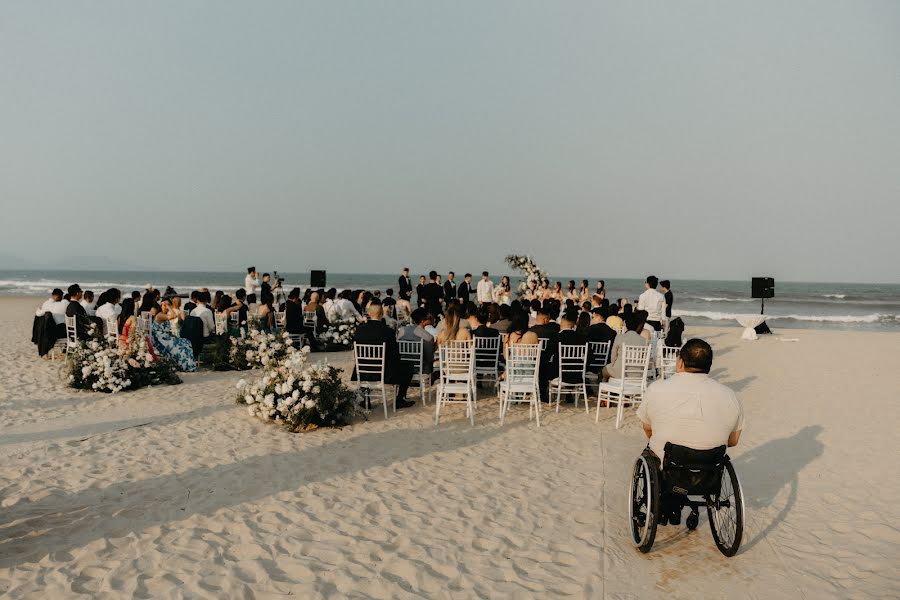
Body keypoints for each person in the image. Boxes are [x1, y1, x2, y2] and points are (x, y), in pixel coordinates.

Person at [636, 338, 744, 466]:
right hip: (708, 469)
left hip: (666, 463)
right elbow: (733, 440)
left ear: (680, 363)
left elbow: (648, 428)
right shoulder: (730, 396)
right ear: (708, 366)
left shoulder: (656, 389)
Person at [353, 301, 415, 409]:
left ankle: (366, 399)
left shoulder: (359, 330)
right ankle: (400, 399)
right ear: (382, 314)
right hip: (385, 374)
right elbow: (395, 354)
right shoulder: (388, 332)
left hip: (362, 372)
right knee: (408, 366)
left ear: (368, 313)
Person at [151, 299, 196, 371]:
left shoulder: (164, 315)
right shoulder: (160, 315)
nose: (166, 307)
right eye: (165, 305)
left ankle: (187, 365)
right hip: (160, 340)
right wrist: (169, 307)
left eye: (168, 305)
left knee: (186, 341)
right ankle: (185, 366)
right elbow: (174, 315)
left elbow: (167, 331)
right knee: (183, 344)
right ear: (161, 305)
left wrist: (173, 336)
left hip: (166, 338)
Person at [602, 314, 649, 382]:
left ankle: (605, 390)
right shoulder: (644, 341)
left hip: (620, 372)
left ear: (626, 325)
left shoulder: (619, 337)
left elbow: (613, 357)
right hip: (637, 374)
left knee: (604, 371)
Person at [398, 308, 436, 377]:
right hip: (420, 369)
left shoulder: (402, 331)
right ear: (422, 321)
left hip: (403, 367)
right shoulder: (428, 337)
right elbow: (429, 358)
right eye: (428, 318)